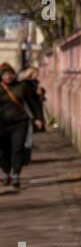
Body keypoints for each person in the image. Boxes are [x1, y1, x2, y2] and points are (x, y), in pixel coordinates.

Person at [0, 62, 45, 191]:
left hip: (20, 123)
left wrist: (38, 118)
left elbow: (33, 102)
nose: (8, 77)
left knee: (17, 148)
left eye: (10, 74)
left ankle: (16, 175)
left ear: (13, 75)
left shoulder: (22, 87)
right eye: (5, 74)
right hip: (2, 125)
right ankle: (6, 172)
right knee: (3, 151)